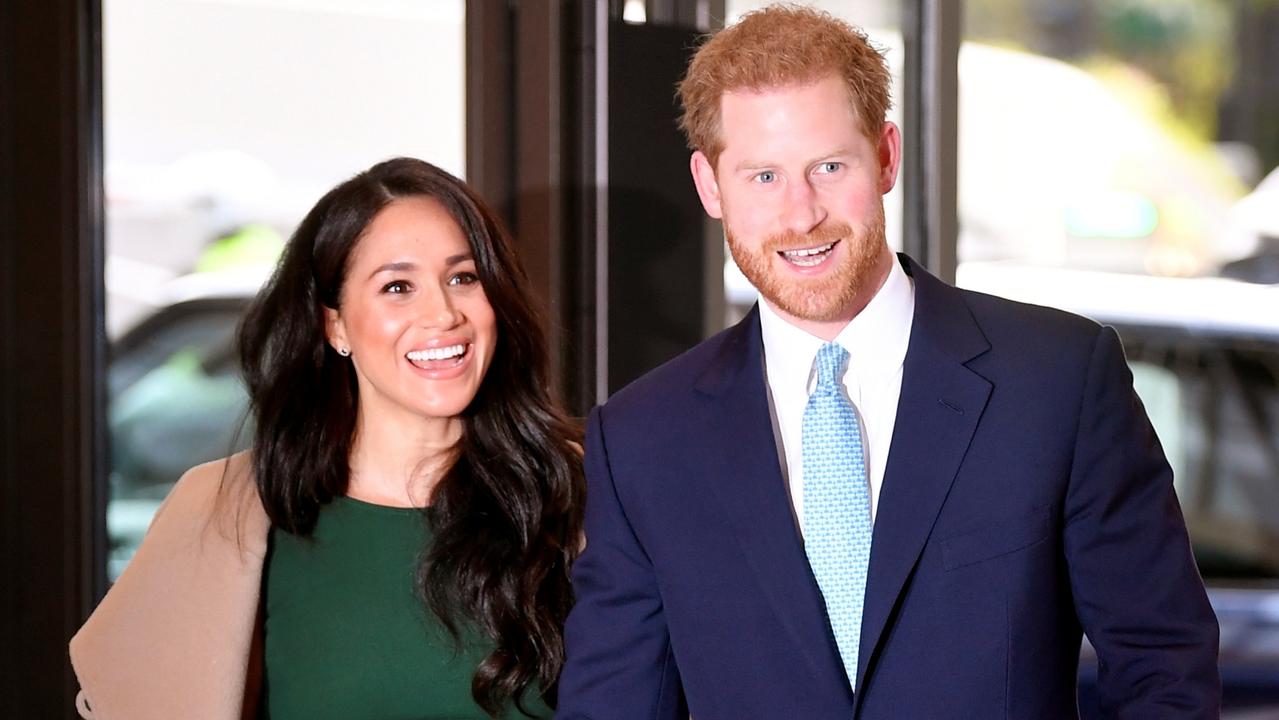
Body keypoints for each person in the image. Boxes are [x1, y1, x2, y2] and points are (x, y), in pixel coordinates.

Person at [557, 6, 1220, 719]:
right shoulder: (640, 440)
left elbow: (1162, 666)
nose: (800, 212)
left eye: (828, 166)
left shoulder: (1055, 382)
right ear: (710, 186)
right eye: (762, 177)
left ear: (885, 157)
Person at [70, 157, 584, 720]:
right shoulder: (230, 510)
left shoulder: (579, 493)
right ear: (334, 324)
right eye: (397, 286)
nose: (441, 314)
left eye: (463, 278)